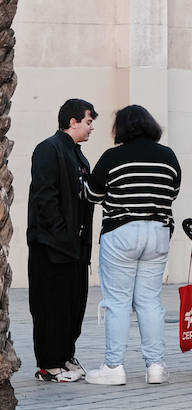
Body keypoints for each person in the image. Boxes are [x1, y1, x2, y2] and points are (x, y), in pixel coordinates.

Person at [82, 104, 180, 386]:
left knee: (117, 302)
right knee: (150, 302)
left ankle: (114, 366)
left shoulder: (113, 157)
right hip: (158, 231)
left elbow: (93, 194)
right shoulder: (167, 157)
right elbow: (173, 191)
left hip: (121, 231)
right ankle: (156, 366)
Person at [28, 98, 97, 383]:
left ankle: (65, 356)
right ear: (73, 121)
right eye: (89, 121)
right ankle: (49, 364)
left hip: (75, 249)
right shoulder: (49, 149)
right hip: (51, 247)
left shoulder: (78, 156)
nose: (92, 128)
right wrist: (61, 234)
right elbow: (45, 198)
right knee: (50, 307)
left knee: (73, 305)